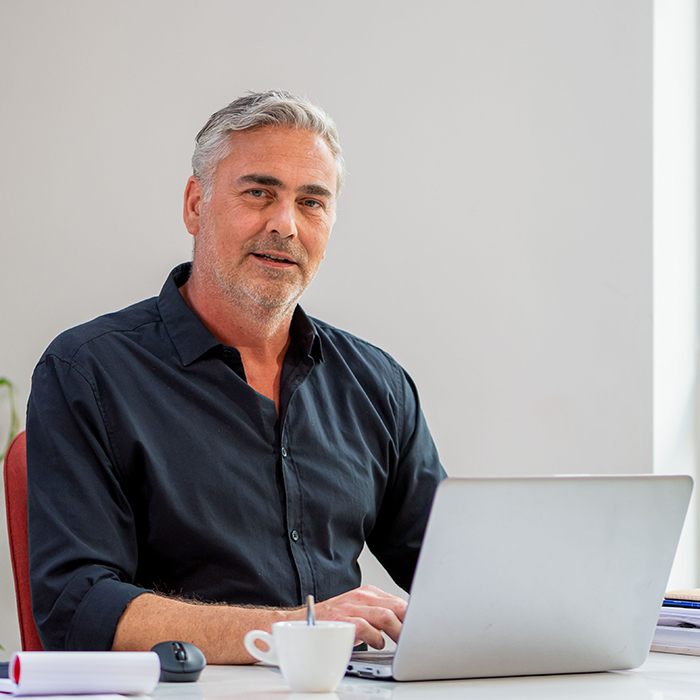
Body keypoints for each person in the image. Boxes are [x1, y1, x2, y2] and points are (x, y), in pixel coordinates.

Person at [26, 90, 446, 663]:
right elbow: (77, 609)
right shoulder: (88, 373)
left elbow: (455, 578)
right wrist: (296, 630)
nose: (285, 225)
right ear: (196, 204)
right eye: (258, 193)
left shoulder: (378, 385)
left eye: (312, 203)